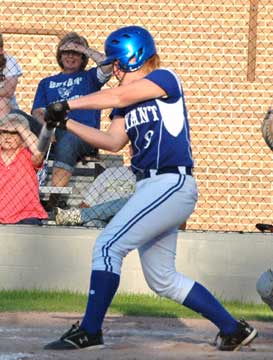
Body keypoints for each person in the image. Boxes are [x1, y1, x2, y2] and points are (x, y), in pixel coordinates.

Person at [43, 26, 257, 351]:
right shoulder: (125, 104)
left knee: (107, 247)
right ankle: (233, 328)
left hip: (171, 181)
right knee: (162, 278)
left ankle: (90, 329)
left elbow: (117, 95)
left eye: (116, 63)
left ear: (132, 58)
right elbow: (113, 141)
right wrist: (66, 122)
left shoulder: (165, 79)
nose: (113, 70)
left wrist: (68, 104)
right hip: (150, 187)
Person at [31, 32, 112, 210]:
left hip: (81, 135)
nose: (70, 56)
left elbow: (108, 65)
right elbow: (37, 112)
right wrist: (47, 128)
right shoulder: (46, 82)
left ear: (83, 57)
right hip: (50, 132)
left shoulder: (90, 78)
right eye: (66, 51)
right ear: (59, 56)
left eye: (75, 52)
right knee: (17, 119)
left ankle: (55, 198)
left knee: (68, 138)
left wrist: (83, 47)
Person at [0, 113, 48, 225]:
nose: (8, 137)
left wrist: (20, 127)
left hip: (26, 215)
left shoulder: (28, 155)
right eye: (4, 132)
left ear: (23, 137)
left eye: (14, 133)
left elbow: (39, 152)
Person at [55, 166, 135, 226]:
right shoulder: (112, 172)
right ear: (131, 150)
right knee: (91, 224)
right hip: (100, 218)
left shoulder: (146, 180)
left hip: (125, 221)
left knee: (129, 201)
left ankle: (75, 216)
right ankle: (76, 216)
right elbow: (88, 202)